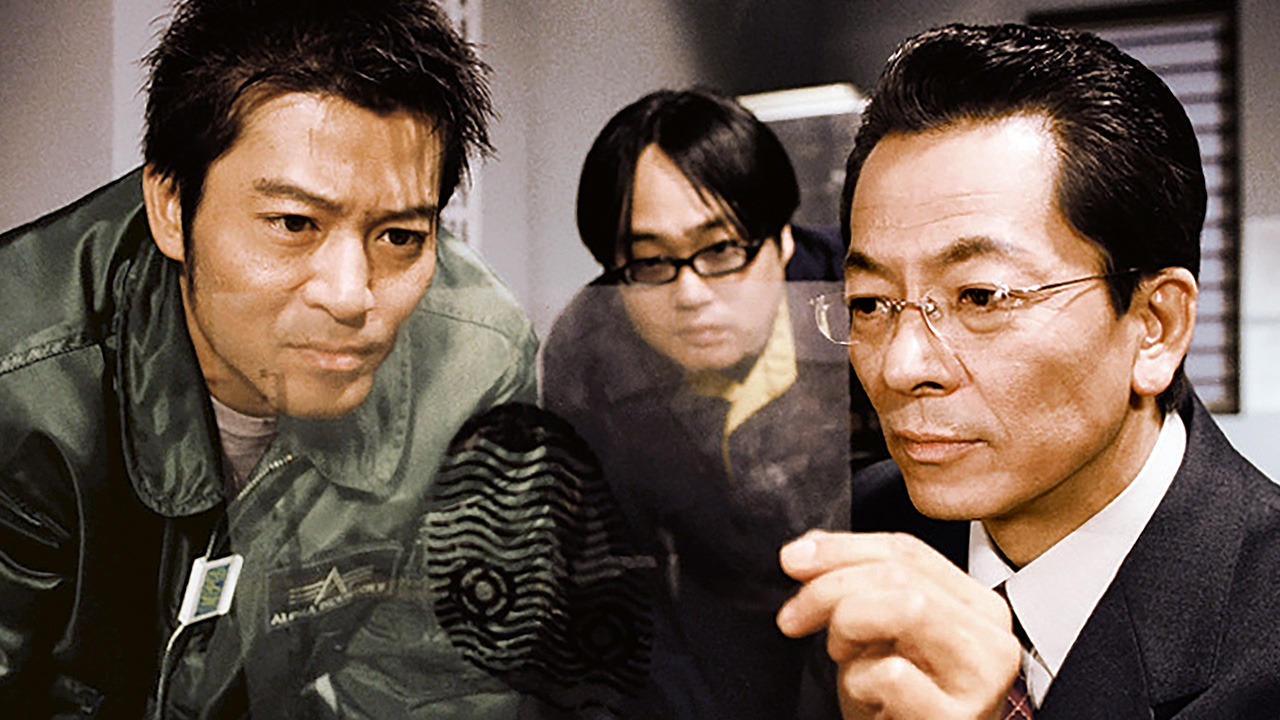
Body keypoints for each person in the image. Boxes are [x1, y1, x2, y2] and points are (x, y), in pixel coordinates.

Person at [0, 1, 538, 717]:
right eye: (293, 223)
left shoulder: (473, 363)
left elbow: (442, 685)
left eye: (400, 236)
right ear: (170, 206)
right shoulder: (24, 378)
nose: (350, 296)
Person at [776, 22, 1280, 719]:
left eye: (980, 297)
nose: (900, 365)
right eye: (869, 303)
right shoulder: (864, 529)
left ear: (1155, 325)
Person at [541, 88, 886, 720]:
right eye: (650, 261)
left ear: (781, 238)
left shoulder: (864, 304)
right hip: (715, 618)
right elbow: (617, 579)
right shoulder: (590, 351)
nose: (691, 294)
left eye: (722, 250)